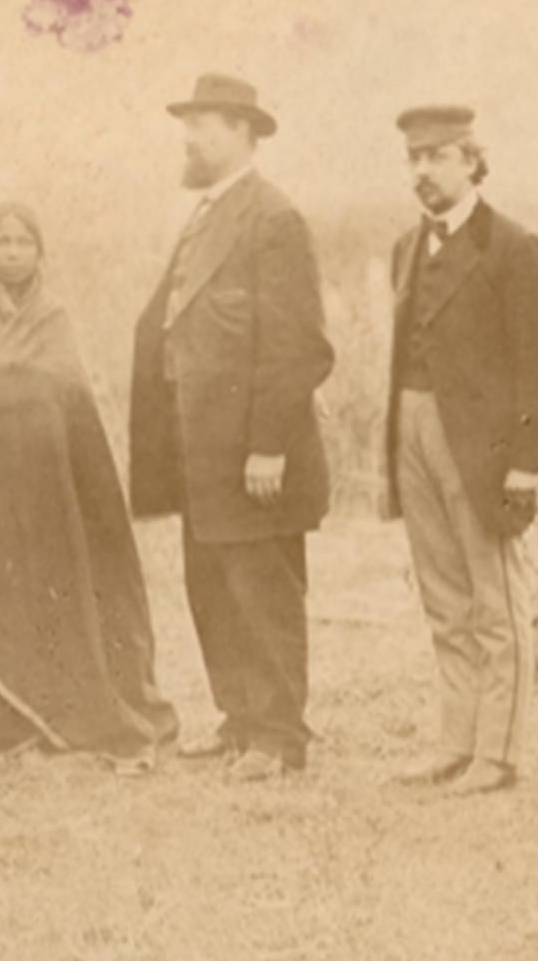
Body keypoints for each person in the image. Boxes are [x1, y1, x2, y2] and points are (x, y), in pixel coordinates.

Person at [0, 203, 177, 766]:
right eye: (0, 242)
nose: (11, 253)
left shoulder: (53, 318)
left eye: (22, 242)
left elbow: (72, 405)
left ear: (40, 251)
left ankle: (51, 707)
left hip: (42, 491)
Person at [129, 73, 334, 783]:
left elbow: (297, 343)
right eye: (186, 124)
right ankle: (240, 718)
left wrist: (269, 444)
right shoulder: (207, 215)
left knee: (261, 589)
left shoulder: (272, 219)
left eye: (205, 125)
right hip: (200, 448)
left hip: (252, 453)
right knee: (211, 583)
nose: (189, 137)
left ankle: (279, 738)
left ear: (246, 132)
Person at [382, 106, 538, 796]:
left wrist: (525, 463)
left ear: (471, 160)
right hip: (414, 429)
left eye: (437, 155)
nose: (423, 170)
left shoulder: (514, 248)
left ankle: (498, 753)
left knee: (494, 599)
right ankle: (454, 743)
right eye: (414, 157)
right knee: (444, 598)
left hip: (484, 447)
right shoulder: (407, 246)